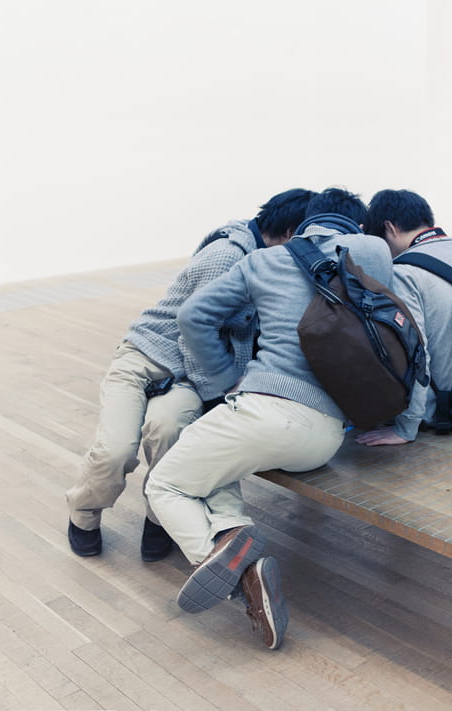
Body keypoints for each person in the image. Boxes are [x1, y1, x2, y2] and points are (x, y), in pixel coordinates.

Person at [144, 187, 394, 649]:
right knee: (217, 469)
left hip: (263, 412)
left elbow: (193, 316)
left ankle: (236, 570)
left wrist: (223, 382)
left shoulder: (264, 261)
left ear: (303, 225)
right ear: (358, 226)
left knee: (166, 484)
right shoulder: (374, 251)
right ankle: (233, 539)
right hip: (327, 437)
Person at [65, 188, 317, 559]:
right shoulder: (228, 256)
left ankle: (159, 520)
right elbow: (192, 332)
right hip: (145, 358)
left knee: (169, 433)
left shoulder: (263, 260)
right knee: (116, 450)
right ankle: (83, 515)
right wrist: (224, 392)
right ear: (291, 230)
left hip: (186, 376)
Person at [355, 189, 452, 447]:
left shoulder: (404, 271)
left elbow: (417, 354)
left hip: (446, 412)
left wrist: (406, 428)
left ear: (390, 228)